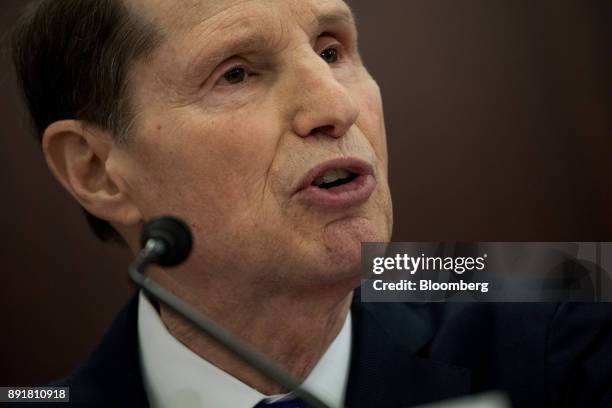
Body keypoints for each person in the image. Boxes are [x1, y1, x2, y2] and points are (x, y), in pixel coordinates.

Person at [10, 0, 611, 407]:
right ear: (97, 171)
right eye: (237, 73)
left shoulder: (557, 286)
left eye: (331, 51)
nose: (336, 107)